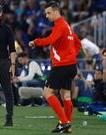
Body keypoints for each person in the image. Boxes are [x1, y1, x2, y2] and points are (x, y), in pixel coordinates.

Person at [28, 1, 82, 133]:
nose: (46, 16)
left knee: (47, 93)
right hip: (71, 66)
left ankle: (63, 122)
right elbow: (78, 44)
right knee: (66, 96)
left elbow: (50, 40)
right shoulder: (67, 26)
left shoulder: (59, 25)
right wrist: (71, 55)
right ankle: (67, 126)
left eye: (48, 13)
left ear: (56, 11)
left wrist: (36, 42)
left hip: (61, 66)